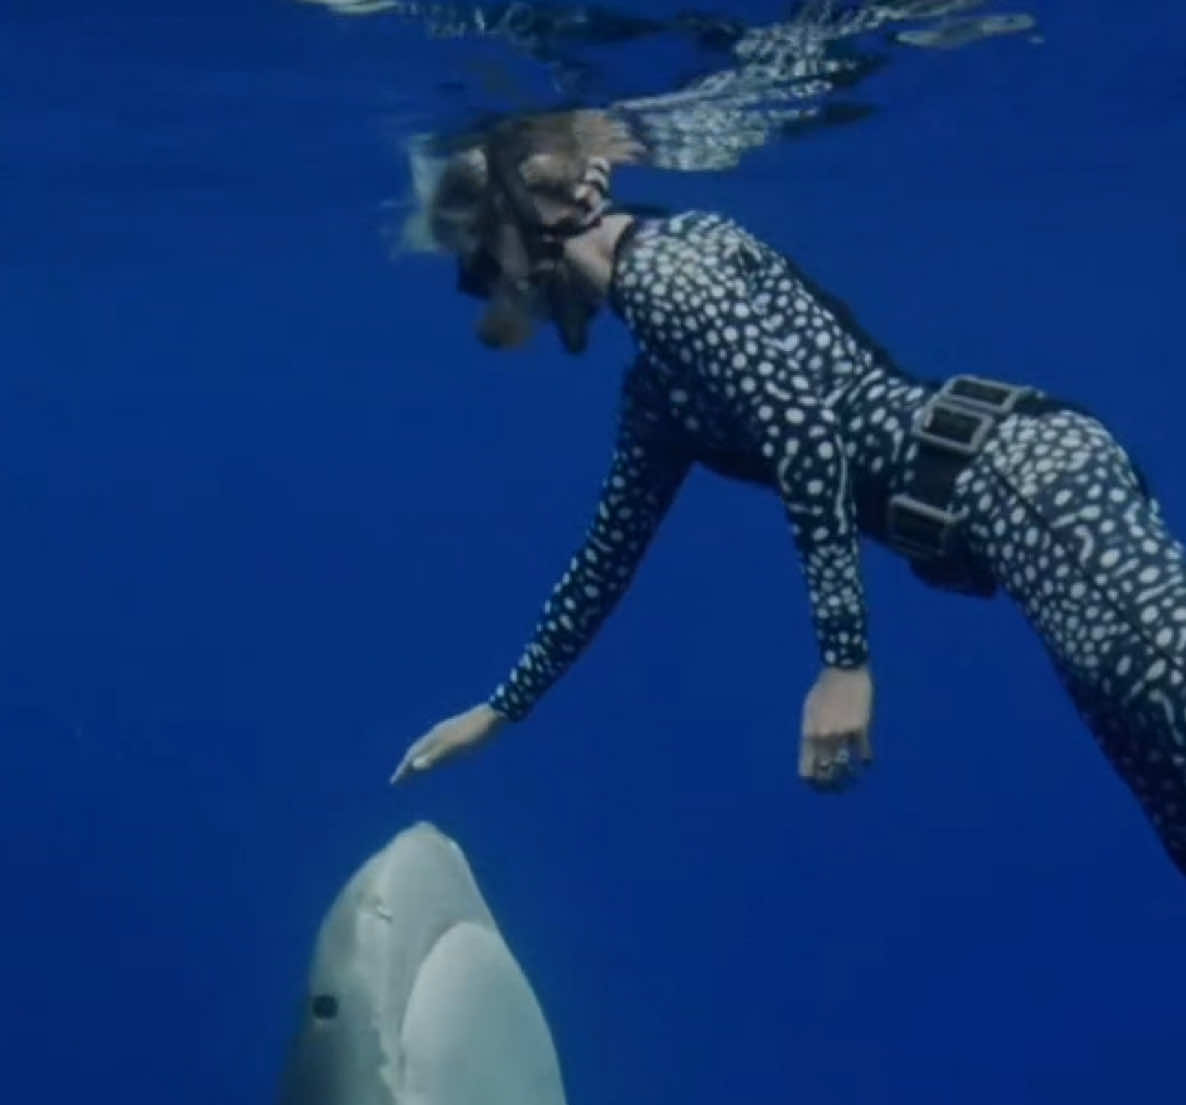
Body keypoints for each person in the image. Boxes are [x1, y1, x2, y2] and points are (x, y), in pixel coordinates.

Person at [392, 110, 1186, 875]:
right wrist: (504, 707)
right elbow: (609, 553)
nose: (496, 298)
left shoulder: (670, 275)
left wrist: (845, 662)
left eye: (482, 267)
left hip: (1020, 483)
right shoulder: (658, 387)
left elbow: (805, 433)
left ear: (528, 231)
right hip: (1012, 492)